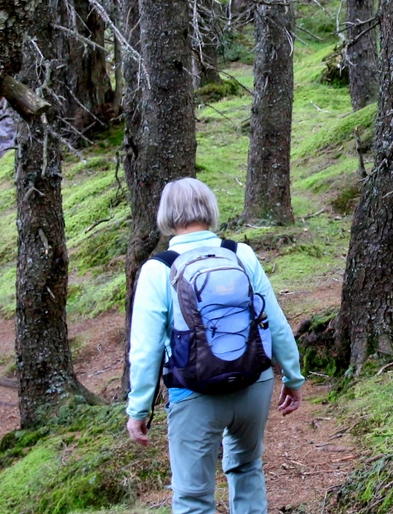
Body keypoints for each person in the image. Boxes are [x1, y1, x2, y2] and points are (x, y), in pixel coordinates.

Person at [125, 177, 305, 514]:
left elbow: (146, 348)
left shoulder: (157, 269)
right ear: (209, 209)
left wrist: (138, 409)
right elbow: (275, 321)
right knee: (247, 468)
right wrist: (293, 379)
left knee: (193, 498)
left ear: (167, 215)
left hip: (194, 393)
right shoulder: (241, 254)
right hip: (254, 382)